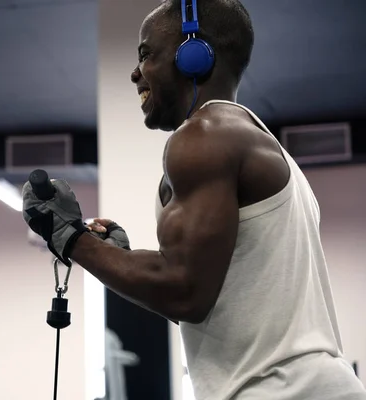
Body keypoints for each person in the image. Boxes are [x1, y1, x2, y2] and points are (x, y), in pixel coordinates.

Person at [22, 0, 366, 399]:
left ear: (193, 55)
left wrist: (70, 238)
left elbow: (185, 293)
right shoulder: (249, 137)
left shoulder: (204, 136)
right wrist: (126, 259)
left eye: (147, 54)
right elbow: (212, 298)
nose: (135, 72)